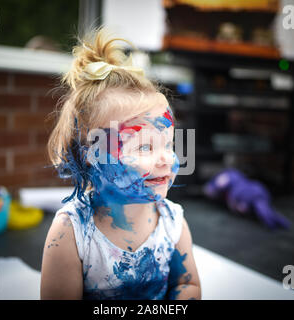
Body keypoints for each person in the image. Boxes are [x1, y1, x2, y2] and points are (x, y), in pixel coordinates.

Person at [40, 27, 201, 300]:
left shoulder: (172, 221)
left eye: (169, 144)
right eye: (145, 146)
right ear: (92, 155)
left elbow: (189, 286)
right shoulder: (72, 232)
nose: (166, 158)